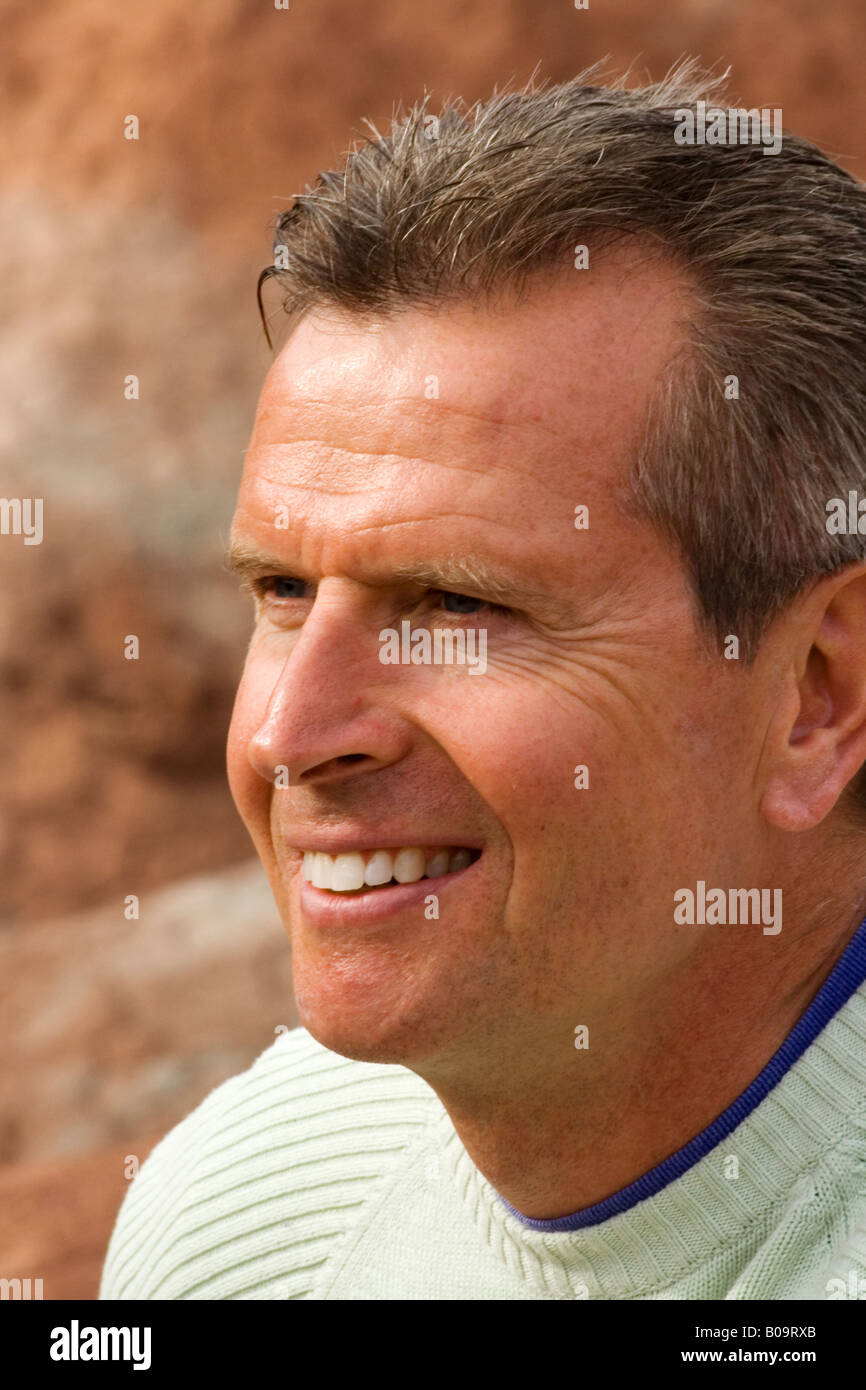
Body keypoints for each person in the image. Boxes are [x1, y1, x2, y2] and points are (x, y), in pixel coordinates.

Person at [100, 60, 866, 1301]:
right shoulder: (237, 1209)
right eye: (282, 593)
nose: (292, 735)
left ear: (816, 696)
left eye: (457, 606)